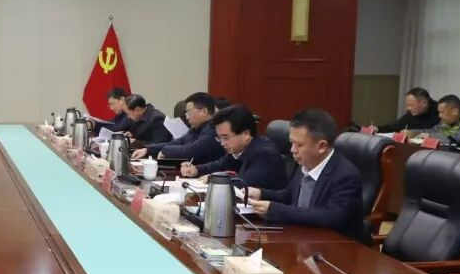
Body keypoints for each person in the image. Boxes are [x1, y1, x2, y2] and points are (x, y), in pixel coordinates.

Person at [248, 108, 368, 244]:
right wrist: (260, 193)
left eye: (299, 145)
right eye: (292, 143)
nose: (292, 150)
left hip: (337, 247)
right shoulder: (306, 163)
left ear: (321, 146)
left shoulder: (346, 175)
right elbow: (289, 196)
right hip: (302, 240)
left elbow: (332, 217)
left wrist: (275, 210)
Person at [180, 105, 287, 189]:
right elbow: (222, 165)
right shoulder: (240, 148)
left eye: (225, 138)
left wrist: (212, 179)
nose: (222, 143)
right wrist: (196, 169)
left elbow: (243, 185)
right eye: (220, 138)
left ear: (246, 134)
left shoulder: (264, 154)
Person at [132, 92, 224, 163]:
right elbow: (176, 143)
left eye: (189, 113)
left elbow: (190, 151)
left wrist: (165, 150)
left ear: (204, 112)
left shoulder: (213, 130)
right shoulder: (195, 128)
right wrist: (148, 149)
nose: (187, 117)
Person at [372, 87, 439, 133]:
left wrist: (413, 132)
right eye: (407, 105)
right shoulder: (412, 113)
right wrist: (378, 129)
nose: (408, 108)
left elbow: (438, 133)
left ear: (423, 103)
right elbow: (397, 125)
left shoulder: (440, 112)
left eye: (411, 105)